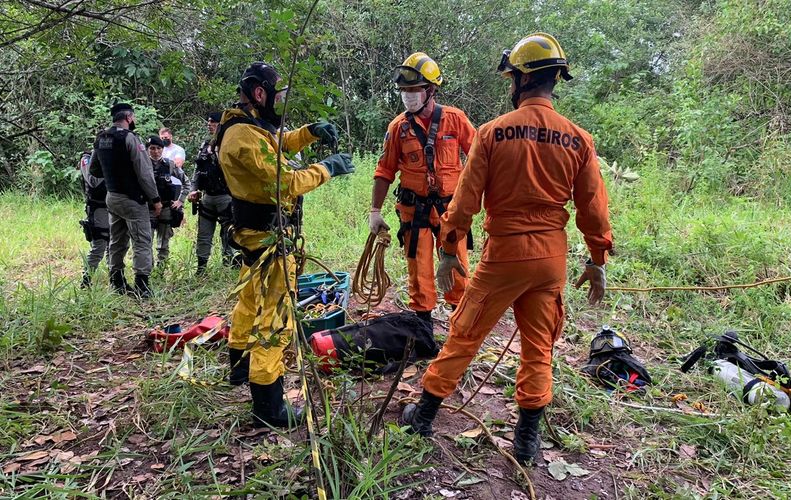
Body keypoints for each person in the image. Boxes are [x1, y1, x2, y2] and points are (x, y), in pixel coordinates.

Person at [401, 34, 614, 465]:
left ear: (520, 79)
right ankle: (527, 440)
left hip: (505, 255)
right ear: (554, 79)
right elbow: (593, 208)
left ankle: (423, 416)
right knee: (539, 346)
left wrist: (448, 249)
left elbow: (464, 201)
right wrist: (596, 260)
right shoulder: (578, 139)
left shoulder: (492, 133)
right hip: (551, 259)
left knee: (465, 333)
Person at [217, 62, 353, 428]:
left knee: (249, 300)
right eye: (277, 96)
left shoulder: (246, 127)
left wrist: (309, 132)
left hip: (255, 235)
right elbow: (285, 182)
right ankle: (268, 404)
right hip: (267, 238)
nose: (279, 103)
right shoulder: (242, 137)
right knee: (275, 315)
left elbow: (278, 142)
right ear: (260, 94)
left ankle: (240, 368)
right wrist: (327, 168)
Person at [369, 52, 475, 325]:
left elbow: (478, 160)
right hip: (414, 211)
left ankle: (459, 326)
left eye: (413, 89)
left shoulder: (455, 120)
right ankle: (423, 325)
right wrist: (375, 210)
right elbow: (384, 171)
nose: (408, 96)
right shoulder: (398, 128)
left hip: (449, 211)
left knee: (457, 267)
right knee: (419, 269)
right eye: (404, 90)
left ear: (431, 89)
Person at [90, 103, 162, 298]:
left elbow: (94, 170)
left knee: (117, 239)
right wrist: (155, 200)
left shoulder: (101, 138)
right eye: (134, 118)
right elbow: (144, 173)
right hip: (132, 199)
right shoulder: (130, 138)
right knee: (142, 240)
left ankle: (117, 280)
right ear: (129, 118)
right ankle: (142, 284)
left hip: (112, 197)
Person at [187, 112, 237, 274]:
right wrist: (194, 189)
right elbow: (197, 171)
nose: (210, 124)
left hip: (226, 196)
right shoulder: (205, 146)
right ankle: (201, 268)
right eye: (208, 122)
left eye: (213, 122)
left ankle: (229, 263)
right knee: (204, 234)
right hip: (207, 197)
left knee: (228, 232)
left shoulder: (228, 145)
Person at [145, 136, 190, 266]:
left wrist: (180, 201)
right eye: (152, 148)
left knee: (163, 242)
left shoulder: (169, 165)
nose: (155, 151)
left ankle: (161, 268)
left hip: (165, 208)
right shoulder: (142, 165)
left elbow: (186, 183)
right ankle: (148, 268)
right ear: (148, 149)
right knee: (146, 241)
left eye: (158, 148)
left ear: (162, 149)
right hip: (148, 208)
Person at [78, 149, 109, 288]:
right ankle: (86, 280)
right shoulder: (88, 158)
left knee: (114, 244)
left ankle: (115, 277)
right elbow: (93, 181)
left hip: (114, 206)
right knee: (99, 244)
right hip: (97, 207)